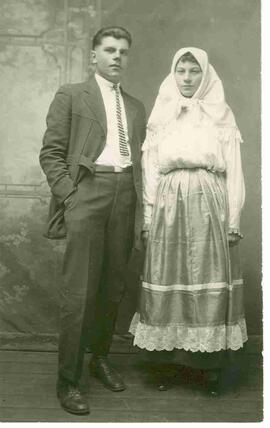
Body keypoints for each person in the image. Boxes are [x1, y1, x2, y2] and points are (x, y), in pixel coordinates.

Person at [39, 26, 146, 415]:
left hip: (125, 195)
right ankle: (68, 381)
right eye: (110, 50)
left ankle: (99, 359)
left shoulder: (135, 106)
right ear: (93, 56)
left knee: (113, 286)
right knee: (78, 292)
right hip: (88, 192)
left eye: (124, 51)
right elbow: (50, 152)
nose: (118, 56)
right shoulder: (72, 94)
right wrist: (71, 195)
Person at [129, 47, 247, 395]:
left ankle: (208, 368)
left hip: (208, 200)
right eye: (181, 71)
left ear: (205, 75)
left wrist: (232, 218)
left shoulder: (221, 115)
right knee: (170, 273)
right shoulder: (161, 115)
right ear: (173, 73)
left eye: (194, 72)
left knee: (207, 274)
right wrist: (149, 215)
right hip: (168, 200)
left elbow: (235, 170)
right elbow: (150, 168)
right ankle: (166, 362)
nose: (187, 78)